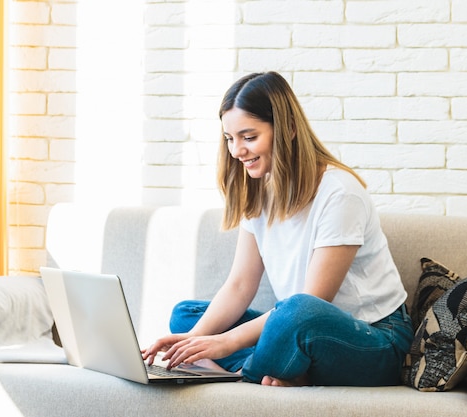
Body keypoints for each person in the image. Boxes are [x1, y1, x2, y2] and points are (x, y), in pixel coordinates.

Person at [142, 71, 413, 387]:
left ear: (288, 130)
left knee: (296, 312)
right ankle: (283, 370)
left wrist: (224, 343)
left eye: (249, 136)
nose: (236, 151)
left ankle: (251, 371)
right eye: (230, 139)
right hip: (297, 327)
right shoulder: (258, 192)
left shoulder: (340, 193)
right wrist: (192, 341)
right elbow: (240, 285)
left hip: (373, 338)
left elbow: (314, 302)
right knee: (186, 316)